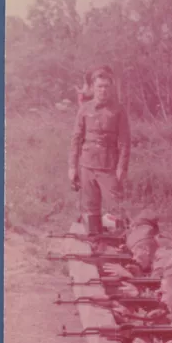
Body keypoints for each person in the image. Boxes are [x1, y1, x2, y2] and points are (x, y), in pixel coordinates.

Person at [68, 67, 131, 234]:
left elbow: (125, 142)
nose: (103, 90)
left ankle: (120, 247)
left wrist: (122, 168)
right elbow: (76, 138)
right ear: (93, 88)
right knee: (90, 209)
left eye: (106, 86)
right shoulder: (85, 109)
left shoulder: (119, 110)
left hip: (109, 167)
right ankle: (94, 244)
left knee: (116, 207)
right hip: (87, 165)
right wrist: (72, 167)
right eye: (99, 86)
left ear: (111, 88)